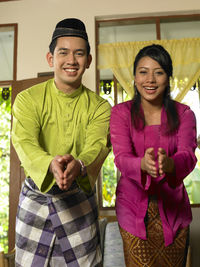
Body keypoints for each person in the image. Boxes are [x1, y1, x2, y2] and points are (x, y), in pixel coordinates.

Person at [12, 18, 111, 267]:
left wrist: (79, 164)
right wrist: (49, 163)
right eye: (63, 52)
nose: (71, 60)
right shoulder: (27, 100)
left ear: (88, 61)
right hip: (36, 200)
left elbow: (97, 146)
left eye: (79, 54)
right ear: (50, 58)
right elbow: (24, 142)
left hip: (78, 202)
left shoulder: (100, 107)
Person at [110, 44, 197, 267]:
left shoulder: (184, 114)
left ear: (168, 77)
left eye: (158, 72)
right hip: (132, 208)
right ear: (135, 76)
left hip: (173, 211)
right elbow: (120, 157)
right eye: (143, 72)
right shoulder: (121, 113)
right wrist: (142, 164)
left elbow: (188, 156)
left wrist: (169, 163)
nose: (150, 79)